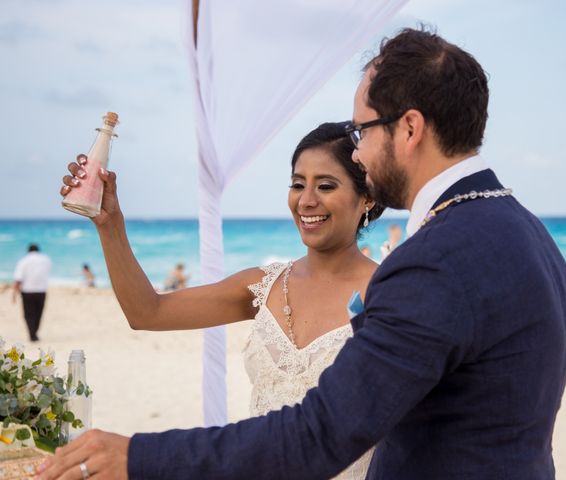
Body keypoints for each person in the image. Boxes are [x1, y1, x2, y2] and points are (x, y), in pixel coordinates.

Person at [39, 27, 566, 480]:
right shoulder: (530, 236)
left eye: (364, 130)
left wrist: (138, 456)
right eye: (299, 183)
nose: (360, 151)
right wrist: (110, 225)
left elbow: (321, 433)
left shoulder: (430, 262)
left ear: (409, 128)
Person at [45, 122, 383, 479]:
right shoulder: (261, 286)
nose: (306, 200)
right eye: (298, 184)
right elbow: (147, 312)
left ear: (368, 197)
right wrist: (110, 224)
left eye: (326, 186)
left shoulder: (388, 294)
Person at [12, 244, 52, 342]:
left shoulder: (23, 261)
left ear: (28, 251)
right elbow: (47, 272)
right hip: (41, 291)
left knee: (28, 314)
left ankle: (32, 333)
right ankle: (34, 333)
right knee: (39, 313)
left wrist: (14, 293)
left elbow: (18, 279)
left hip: (27, 291)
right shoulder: (46, 260)